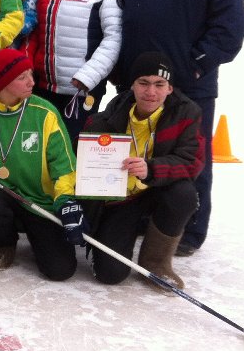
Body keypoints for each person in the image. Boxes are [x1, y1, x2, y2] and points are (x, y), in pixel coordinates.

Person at [116, 0, 244, 256]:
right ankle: (145, 216)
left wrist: (193, 66)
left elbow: (229, 30)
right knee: (141, 154)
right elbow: (119, 21)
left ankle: (187, 231)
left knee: (190, 160)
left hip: (189, 88)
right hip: (138, 88)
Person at [0, 48, 82, 281]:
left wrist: (65, 200)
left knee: (61, 270)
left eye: (31, 74)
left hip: (40, 202)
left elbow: (64, 165)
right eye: (22, 77)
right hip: (2, 195)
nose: (31, 82)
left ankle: (40, 237)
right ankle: (2, 243)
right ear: (3, 81)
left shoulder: (45, 113)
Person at [84, 52, 203, 289]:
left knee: (184, 195)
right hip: (123, 197)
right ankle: (124, 233)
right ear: (132, 85)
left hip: (160, 187)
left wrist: (151, 168)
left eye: (160, 84)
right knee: (110, 274)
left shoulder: (187, 112)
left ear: (170, 88)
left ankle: (156, 262)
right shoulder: (108, 117)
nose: (151, 92)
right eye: (144, 83)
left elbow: (192, 162)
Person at [30, 0, 120, 141]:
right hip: (44, 87)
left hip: (80, 90)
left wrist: (88, 77)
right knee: (43, 148)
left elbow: (114, 38)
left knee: (72, 149)